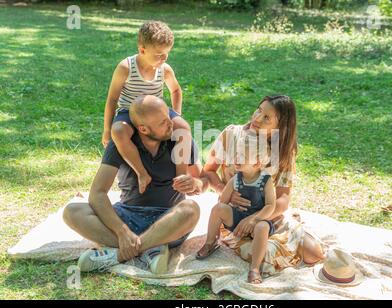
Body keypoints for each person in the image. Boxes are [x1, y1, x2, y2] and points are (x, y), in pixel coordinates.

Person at [64, 95, 208, 273]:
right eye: (163, 122)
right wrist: (122, 230)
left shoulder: (180, 140)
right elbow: (98, 193)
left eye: (169, 117)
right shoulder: (122, 145)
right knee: (72, 212)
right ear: (144, 129)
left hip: (170, 219)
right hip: (128, 215)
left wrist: (194, 182)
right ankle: (151, 248)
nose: (171, 124)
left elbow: (204, 182)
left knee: (191, 209)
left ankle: (117, 255)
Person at [204, 95, 325, 266]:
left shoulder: (283, 151)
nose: (257, 118)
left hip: (267, 215)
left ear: (280, 126)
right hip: (234, 215)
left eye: (267, 117)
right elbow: (208, 171)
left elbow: (283, 199)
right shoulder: (232, 134)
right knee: (264, 258)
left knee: (314, 254)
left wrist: (256, 219)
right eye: (259, 110)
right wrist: (226, 193)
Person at [101, 20, 190, 195]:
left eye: (167, 54)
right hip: (129, 111)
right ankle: (142, 174)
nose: (164, 58)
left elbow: (176, 90)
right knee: (118, 131)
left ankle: (181, 178)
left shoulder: (164, 69)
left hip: (157, 111)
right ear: (142, 49)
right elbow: (112, 99)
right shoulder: (125, 67)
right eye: (159, 54)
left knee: (184, 128)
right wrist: (106, 130)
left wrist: (176, 115)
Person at [197, 134, 276, 284]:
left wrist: (253, 219)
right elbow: (222, 201)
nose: (235, 159)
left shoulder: (266, 180)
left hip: (257, 221)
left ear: (257, 162)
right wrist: (227, 200)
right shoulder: (236, 179)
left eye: (242, 156)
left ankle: (254, 268)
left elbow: (270, 206)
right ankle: (210, 242)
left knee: (262, 227)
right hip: (237, 219)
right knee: (218, 208)